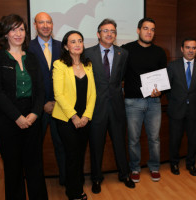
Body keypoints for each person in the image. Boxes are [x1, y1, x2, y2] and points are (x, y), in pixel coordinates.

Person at [0, 14, 48, 200]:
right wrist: (17, 117)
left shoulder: (32, 58)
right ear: (5, 33)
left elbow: (40, 91)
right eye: (13, 29)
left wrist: (35, 114)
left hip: (32, 117)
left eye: (21, 29)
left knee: (35, 166)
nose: (18, 33)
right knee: (13, 168)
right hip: (8, 119)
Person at [84, 19, 135, 194]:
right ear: (98, 34)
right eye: (105, 31)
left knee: (120, 143)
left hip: (116, 107)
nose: (109, 34)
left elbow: (120, 78)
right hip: (96, 108)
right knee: (96, 144)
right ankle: (96, 178)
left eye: (112, 31)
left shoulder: (123, 53)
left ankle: (124, 174)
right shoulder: (87, 53)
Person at [122, 17, 167, 182]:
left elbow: (164, 80)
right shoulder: (126, 50)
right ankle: (135, 168)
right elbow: (120, 75)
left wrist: (160, 91)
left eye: (152, 29)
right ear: (138, 30)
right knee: (133, 139)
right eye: (146, 28)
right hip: (132, 102)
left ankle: (154, 167)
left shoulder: (160, 52)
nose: (149, 32)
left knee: (154, 138)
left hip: (154, 102)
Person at [52, 30, 96, 200]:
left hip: (85, 119)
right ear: (66, 46)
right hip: (66, 119)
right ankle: (74, 193)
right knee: (72, 155)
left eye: (80, 41)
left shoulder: (88, 65)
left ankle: (76, 186)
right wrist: (74, 117)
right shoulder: (59, 65)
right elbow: (59, 94)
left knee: (80, 154)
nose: (77, 44)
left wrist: (86, 116)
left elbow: (93, 94)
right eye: (73, 41)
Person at [28, 12, 66, 185]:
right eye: (41, 22)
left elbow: (67, 77)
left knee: (62, 146)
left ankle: (66, 182)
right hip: (37, 107)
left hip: (60, 106)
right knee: (34, 148)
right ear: (35, 25)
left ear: (52, 25)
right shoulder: (27, 47)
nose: (45, 25)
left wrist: (56, 101)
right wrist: (42, 102)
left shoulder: (62, 47)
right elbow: (28, 79)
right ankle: (36, 184)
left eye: (48, 22)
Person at [167, 38, 196, 176]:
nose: (191, 50)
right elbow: (168, 88)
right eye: (188, 47)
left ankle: (191, 164)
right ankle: (174, 163)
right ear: (182, 49)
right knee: (175, 140)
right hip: (176, 109)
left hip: (194, 110)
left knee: (193, 140)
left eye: (194, 48)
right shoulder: (172, 66)